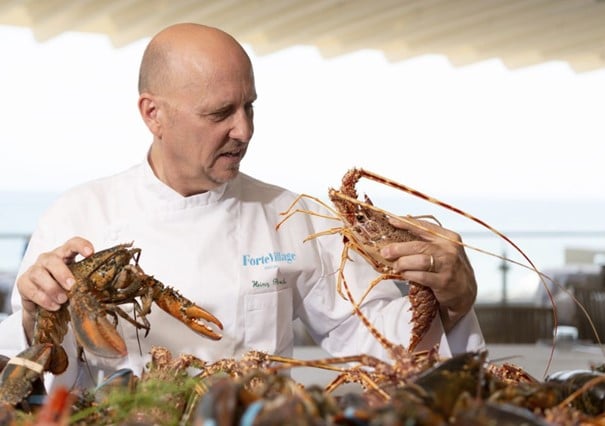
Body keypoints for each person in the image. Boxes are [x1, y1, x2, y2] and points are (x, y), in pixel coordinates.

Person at [0, 23, 484, 391]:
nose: (244, 131)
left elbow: (385, 347)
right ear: (153, 114)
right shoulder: (77, 214)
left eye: (249, 107)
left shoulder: (293, 216)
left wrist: (453, 300)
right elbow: (34, 371)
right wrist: (31, 313)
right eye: (220, 113)